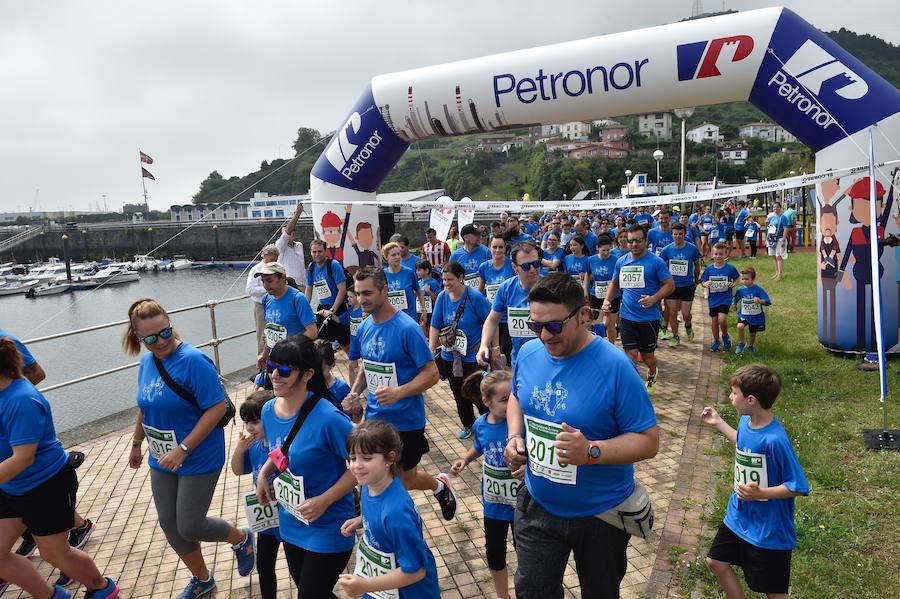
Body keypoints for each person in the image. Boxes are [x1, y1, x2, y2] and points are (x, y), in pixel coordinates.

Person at [503, 273, 659, 599]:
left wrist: (591, 451)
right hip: (537, 503)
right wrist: (514, 436)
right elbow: (517, 395)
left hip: (600, 514)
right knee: (532, 591)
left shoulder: (616, 367)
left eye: (555, 326)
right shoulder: (529, 353)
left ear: (584, 315)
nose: (544, 335)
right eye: (536, 326)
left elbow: (648, 440)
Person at [124, 299, 255, 599]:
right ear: (138, 337)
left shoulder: (194, 361)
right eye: (151, 338)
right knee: (170, 524)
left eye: (165, 332)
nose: (162, 342)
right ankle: (202, 579)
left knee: (190, 524)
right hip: (162, 457)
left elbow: (216, 407)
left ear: (171, 323)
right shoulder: (146, 362)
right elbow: (145, 404)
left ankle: (241, 538)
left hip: (197, 455)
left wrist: (183, 448)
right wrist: (135, 442)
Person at [0, 337, 119, 599]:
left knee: (53, 552)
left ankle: (102, 589)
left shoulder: (21, 400)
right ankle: (51, 596)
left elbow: (23, 458)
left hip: (45, 485)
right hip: (10, 487)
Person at [345, 267, 458, 520]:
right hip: (375, 419)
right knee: (373, 475)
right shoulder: (363, 328)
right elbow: (368, 366)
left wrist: (398, 393)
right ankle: (379, 523)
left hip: (406, 420)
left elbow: (431, 373)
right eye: (358, 293)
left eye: (368, 293)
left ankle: (440, 486)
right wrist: (354, 392)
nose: (362, 299)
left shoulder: (407, 328)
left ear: (385, 291)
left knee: (406, 479)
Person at [254, 336, 357, 597]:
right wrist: (264, 474)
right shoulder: (268, 410)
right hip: (291, 520)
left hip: (329, 525)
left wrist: (324, 500)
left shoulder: (330, 419)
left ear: (308, 374)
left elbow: (363, 466)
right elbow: (280, 450)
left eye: (285, 370)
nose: (275, 375)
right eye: (271, 366)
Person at [701, 365, 809, 599]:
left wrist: (762, 492)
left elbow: (798, 486)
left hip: (768, 530)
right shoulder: (745, 423)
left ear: (751, 400)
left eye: (734, 393)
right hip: (738, 516)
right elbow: (743, 444)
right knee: (716, 561)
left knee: (774, 594)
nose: (730, 397)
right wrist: (718, 423)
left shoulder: (775, 440)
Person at [338, 420, 440, 598]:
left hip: (410, 591)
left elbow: (417, 570)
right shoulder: (370, 484)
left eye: (367, 458)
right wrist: (362, 520)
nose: (356, 465)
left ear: (390, 458)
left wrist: (366, 585)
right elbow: (377, 509)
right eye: (352, 458)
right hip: (382, 583)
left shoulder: (396, 513)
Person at [450, 370, 521, 599]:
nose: (511, 404)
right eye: (504, 399)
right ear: (486, 402)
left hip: (521, 505)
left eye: (513, 397)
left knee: (526, 555)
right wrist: (466, 459)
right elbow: (480, 445)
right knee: (494, 554)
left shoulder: (521, 426)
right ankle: (502, 595)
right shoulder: (481, 424)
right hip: (494, 504)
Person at [604, 226, 674, 394]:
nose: (634, 244)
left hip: (648, 319)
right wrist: (607, 300)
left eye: (638, 240)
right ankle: (632, 389)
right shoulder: (621, 262)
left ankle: (652, 372)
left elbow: (670, 285)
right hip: (627, 316)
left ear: (646, 242)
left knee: (648, 357)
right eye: (631, 241)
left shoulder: (655, 262)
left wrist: (654, 298)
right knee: (630, 355)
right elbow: (614, 283)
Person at [430, 261, 492, 439]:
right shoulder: (442, 297)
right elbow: (435, 326)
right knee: (458, 394)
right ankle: (468, 424)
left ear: (461, 278)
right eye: (444, 280)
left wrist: (491, 348)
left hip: (473, 356)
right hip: (450, 355)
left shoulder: (475, 297)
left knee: (478, 394)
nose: (446, 284)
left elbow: (491, 321)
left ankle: (489, 423)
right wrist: (430, 351)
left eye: (450, 280)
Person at [230, 390, 282, 599]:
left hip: (288, 516)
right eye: (246, 422)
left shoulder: (283, 445)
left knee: (298, 567)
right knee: (264, 566)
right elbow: (236, 470)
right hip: (267, 517)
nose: (250, 428)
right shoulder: (255, 446)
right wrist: (238, 449)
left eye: (255, 422)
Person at [477, 241, 543, 370]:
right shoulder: (506, 288)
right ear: (514, 267)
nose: (532, 270)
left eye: (536, 264)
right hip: (519, 361)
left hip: (547, 360)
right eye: (526, 266)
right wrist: (484, 344)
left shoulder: (551, 287)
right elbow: (491, 320)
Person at [255, 261, 318, 385]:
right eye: (263, 281)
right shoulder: (266, 299)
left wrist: (288, 345)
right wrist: (264, 354)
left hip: (294, 360)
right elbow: (271, 331)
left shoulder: (298, 298)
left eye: (269, 280)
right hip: (274, 361)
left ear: (282, 278)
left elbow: (312, 332)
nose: (265, 285)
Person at [659, 223, 703, 348]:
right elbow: (661, 267)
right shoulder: (666, 250)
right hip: (672, 286)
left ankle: (688, 325)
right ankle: (675, 336)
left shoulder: (692, 249)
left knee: (685, 314)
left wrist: (695, 280)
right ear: (672, 235)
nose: (678, 236)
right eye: (675, 234)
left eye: (680, 234)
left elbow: (697, 266)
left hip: (687, 285)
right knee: (672, 312)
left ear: (685, 234)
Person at [306, 239, 351, 349]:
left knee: (345, 343)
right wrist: (304, 307)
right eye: (314, 252)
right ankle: (325, 363)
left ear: (325, 252)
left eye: (320, 251)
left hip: (338, 307)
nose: (317, 254)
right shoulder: (311, 267)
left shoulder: (333, 265)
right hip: (322, 308)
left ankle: (353, 363)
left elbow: (342, 290)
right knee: (320, 342)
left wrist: (332, 311)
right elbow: (308, 289)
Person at [701, 243, 741, 352]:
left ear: (725, 255)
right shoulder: (709, 269)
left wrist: (734, 284)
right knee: (714, 321)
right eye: (716, 254)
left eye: (721, 254)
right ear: (712, 255)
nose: (718, 256)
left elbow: (737, 278)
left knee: (722, 319)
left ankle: (725, 335)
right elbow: (703, 281)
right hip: (713, 299)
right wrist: (705, 284)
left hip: (725, 297)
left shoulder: (730, 268)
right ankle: (716, 341)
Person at [585, 234, 620, 345]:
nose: (605, 253)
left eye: (608, 250)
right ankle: (597, 346)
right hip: (596, 294)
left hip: (613, 295)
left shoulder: (616, 260)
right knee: (596, 324)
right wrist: (585, 289)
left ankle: (612, 346)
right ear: (597, 248)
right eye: (603, 250)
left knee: (611, 325)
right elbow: (587, 274)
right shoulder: (591, 260)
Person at [382, 241, 427, 326]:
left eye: (398, 254)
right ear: (386, 257)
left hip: (409, 317)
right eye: (393, 255)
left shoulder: (409, 272)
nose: (397, 257)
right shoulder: (382, 274)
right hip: (390, 318)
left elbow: (418, 291)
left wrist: (423, 310)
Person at [246, 244, 281, 353]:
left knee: (277, 333)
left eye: (275, 260)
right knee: (262, 335)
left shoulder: (278, 268)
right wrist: (268, 288)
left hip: (276, 302)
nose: (272, 263)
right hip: (261, 306)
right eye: (270, 260)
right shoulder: (255, 270)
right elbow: (249, 290)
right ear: (264, 256)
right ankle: (262, 364)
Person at [733, 267, 772, 355]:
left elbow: (768, 301)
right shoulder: (740, 290)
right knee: (740, 326)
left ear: (753, 279)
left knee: (752, 333)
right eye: (743, 279)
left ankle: (750, 346)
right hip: (744, 314)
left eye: (747, 279)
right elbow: (735, 298)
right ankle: (741, 343)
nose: (744, 281)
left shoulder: (758, 289)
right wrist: (734, 304)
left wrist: (760, 301)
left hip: (755, 316)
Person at [450, 224, 491, 289]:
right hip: (463, 295)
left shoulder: (486, 252)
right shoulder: (455, 256)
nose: (479, 237)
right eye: (476, 235)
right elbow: (450, 277)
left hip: (482, 296)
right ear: (466, 237)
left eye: (479, 234)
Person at [276, 203, 307, 286]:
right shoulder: (280, 245)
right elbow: (287, 233)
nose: (290, 234)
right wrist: (297, 214)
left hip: (303, 284)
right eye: (286, 233)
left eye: (292, 232)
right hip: (289, 285)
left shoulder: (299, 245)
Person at [478, 235, 515, 303]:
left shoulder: (513, 265)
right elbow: (479, 291)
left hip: (508, 308)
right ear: (489, 248)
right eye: (494, 247)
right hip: (490, 309)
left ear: (505, 248)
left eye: (500, 247)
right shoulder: (483, 267)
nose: (497, 250)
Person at [317, 339, 351, 410]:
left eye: (321, 369)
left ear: (332, 363)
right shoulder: (307, 387)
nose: (317, 372)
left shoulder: (342, 388)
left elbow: (351, 416)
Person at [416, 260, 442, 338]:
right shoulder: (418, 283)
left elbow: (438, 300)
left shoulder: (434, 283)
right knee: (423, 334)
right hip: (421, 312)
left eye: (419, 270)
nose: (417, 272)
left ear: (427, 270)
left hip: (432, 313)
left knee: (432, 335)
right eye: (416, 270)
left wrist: (429, 292)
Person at [766, 203, 789, 280]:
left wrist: (783, 239)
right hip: (772, 239)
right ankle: (776, 272)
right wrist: (767, 236)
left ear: (780, 208)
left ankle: (780, 274)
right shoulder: (772, 217)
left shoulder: (783, 217)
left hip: (779, 238)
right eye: (774, 207)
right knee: (773, 256)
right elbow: (770, 228)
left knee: (778, 256)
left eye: (777, 207)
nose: (775, 208)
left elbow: (785, 228)